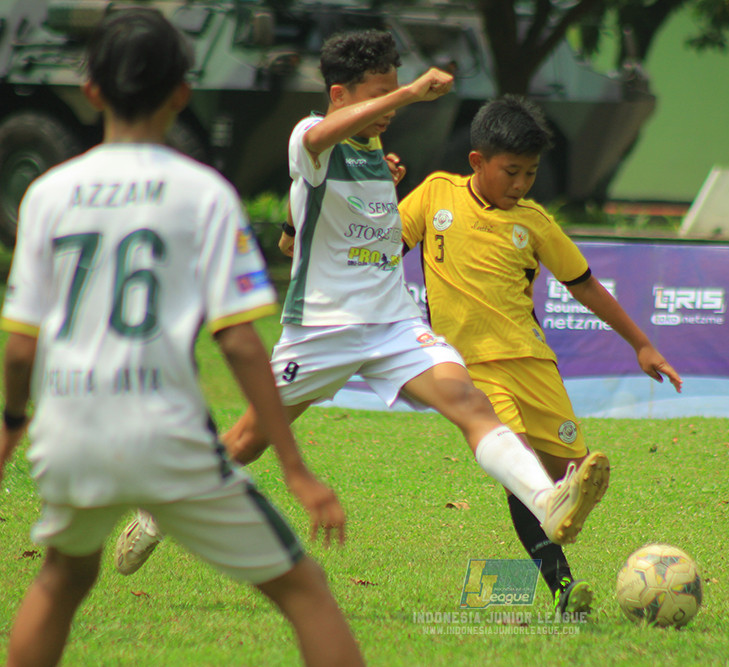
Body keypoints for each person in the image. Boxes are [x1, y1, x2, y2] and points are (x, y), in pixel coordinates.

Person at [115, 30, 609, 580]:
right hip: (322, 331)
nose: (389, 108)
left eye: (392, 93)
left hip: (393, 324)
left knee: (469, 402)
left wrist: (375, 184)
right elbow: (315, 154)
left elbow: (312, 227)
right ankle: (159, 511)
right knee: (247, 441)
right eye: (378, 95)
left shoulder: (373, 150)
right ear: (340, 94)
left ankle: (547, 502)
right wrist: (411, 93)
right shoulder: (309, 134)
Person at [0, 9, 364, 666]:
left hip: (70, 432)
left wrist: (9, 426)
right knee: (305, 589)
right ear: (181, 94)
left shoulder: (47, 194)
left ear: (90, 91)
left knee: (60, 579)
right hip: (165, 435)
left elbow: (22, 345)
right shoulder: (203, 193)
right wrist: (295, 467)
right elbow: (241, 342)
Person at [398, 95, 683, 614]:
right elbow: (377, 250)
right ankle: (564, 587)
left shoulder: (535, 222)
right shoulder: (435, 196)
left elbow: (585, 285)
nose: (521, 184)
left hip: (533, 364)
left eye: (530, 173)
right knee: (521, 472)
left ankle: (561, 505)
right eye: (511, 171)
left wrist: (641, 343)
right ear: (477, 162)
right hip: (472, 369)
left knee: (571, 472)